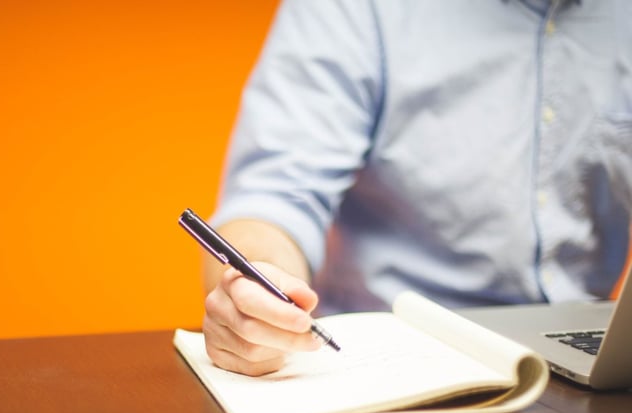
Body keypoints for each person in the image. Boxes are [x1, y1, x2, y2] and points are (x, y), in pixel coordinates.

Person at [201, 0, 632, 376]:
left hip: (595, 365)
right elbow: (275, 196)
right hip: (391, 364)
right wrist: (258, 292)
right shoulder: (359, 9)